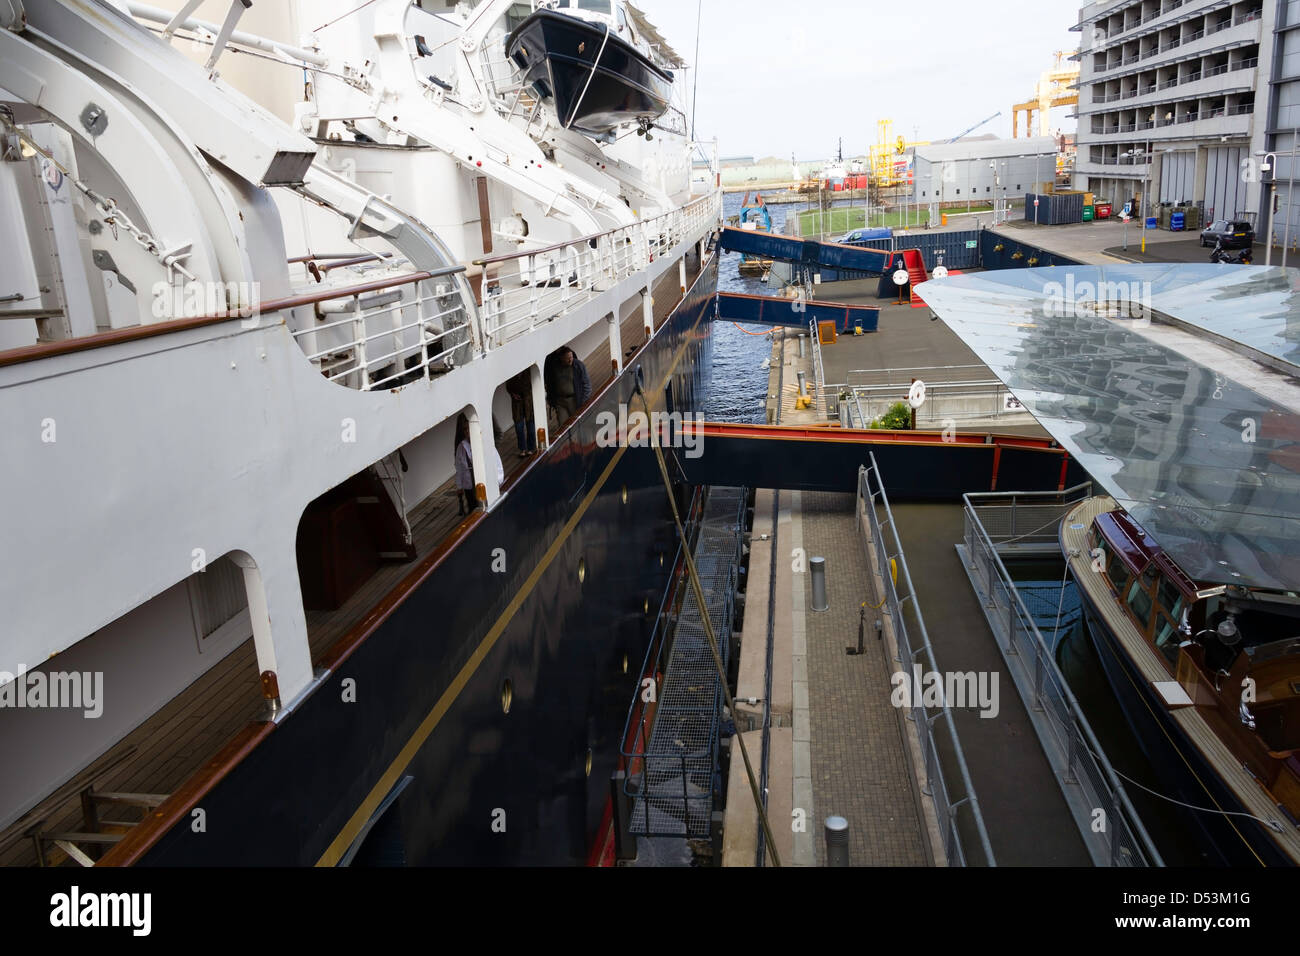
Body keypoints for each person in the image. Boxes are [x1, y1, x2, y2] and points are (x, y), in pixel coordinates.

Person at [544, 346, 592, 427]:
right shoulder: (554, 367)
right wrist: (551, 399)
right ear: (561, 358)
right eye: (567, 358)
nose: (570, 360)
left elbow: (587, 385)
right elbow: (549, 383)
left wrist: (583, 401)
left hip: (574, 400)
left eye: (571, 357)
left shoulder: (578, 366)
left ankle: (576, 439)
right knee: (563, 425)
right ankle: (567, 439)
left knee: (576, 424)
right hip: (560, 401)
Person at [506, 369, 536, 458]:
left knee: (530, 427)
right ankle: (522, 449)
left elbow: (533, 384)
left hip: (528, 403)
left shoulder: (528, 371)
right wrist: (513, 395)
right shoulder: (511, 374)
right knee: (519, 427)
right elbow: (508, 387)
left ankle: (531, 448)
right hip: (517, 404)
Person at [453, 415, 475, 516]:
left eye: (468, 428)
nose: (467, 431)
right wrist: (459, 486)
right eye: (465, 429)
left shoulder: (479, 442)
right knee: (472, 506)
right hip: (468, 483)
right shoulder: (461, 447)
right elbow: (459, 468)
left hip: (479, 479)